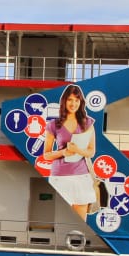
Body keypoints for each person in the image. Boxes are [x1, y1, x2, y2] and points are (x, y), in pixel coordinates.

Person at [43, 84, 96, 219]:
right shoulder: (53, 125)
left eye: (77, 100)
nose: (73, 103)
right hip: (59, 177)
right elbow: (46, 155)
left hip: (81, 177)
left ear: (81, 102)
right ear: (64, 101)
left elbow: (91, 151)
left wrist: (77, 150)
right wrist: (63, 152)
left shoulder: (87, 123)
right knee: (62, 221)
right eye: (70, 100)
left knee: (81, 223)